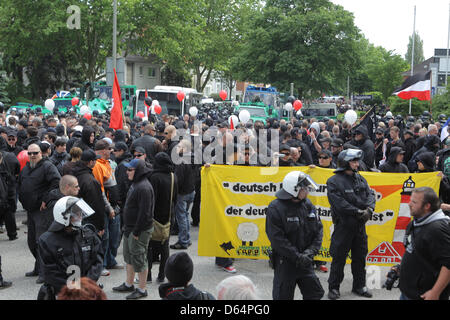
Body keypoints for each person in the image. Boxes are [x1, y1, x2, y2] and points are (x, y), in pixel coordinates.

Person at [265, 171, 325, 300]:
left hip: (305, 260)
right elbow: (277, 239)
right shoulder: (275, 208)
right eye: (304, 188)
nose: (307, 191)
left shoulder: (308, 205)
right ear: (294, 189)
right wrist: (297, 257)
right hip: (286, 262)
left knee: (315, 293)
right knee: (283, 296)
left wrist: (310, 252)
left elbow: (318, 231)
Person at [326, 149, 376, 300]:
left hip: (360, 226)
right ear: (345, 163)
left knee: (360, 257)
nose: (357, 164)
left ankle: (359, 286)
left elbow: (370, 194)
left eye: (357, 161)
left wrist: (370, 209)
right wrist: (358, 212)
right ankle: (334, 288)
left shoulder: (360, 178)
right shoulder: (333, 181)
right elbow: (339, 204)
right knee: (339, 258)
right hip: (344, 226)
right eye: (353, 161)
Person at [38, 196, 104, 299]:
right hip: (63, 292)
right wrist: (72, 289)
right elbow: (50, 271)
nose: (80, 217)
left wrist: (86, 284)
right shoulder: (47, 241)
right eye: (76, 214)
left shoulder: (88, 235)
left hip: (86, 291)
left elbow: (97, 260)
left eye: (80, 213)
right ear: (64, 217)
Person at [112, 159, 154, 299]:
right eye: (127, 169)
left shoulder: (144, 187)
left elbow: (145, 213)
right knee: (129, 257)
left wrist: (136, 231)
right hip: (130, 229)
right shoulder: (136, 184)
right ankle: (129, 284)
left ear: (138, 171)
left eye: (130, 170)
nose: (127, 172)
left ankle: (142, 289)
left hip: (138, 231)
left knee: (140, 259)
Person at [398, 187, 450, 300]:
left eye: (414, 202)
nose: (409, 204)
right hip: (408, 292)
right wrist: (399, 268)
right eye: (410, 200)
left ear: (427, 206)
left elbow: (448, 264)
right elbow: (416, 251)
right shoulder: (417, 222)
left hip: (424, 295)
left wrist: (435, 292)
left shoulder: (437, 229)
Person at [18, 143, 61, 280]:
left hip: (42, 210)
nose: (32, 156)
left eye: (35, 153)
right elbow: (20, 184)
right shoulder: (26, 168)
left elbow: (56, 182)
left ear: (41, 153)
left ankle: (45, 272)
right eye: (30, 153)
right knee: (32, 242)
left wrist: (46, 200)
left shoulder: (48, 166)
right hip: (30, 210)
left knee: (41, 241)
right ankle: (38, 267)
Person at [148, 152, 178, 283]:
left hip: (153, 217)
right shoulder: (173, 176)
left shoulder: (153, 177)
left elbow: (150, 198)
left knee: (149, 248)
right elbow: (175, 198)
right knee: (165, 247)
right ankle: (162, 275)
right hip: (167, 217)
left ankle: (147, 275)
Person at [71, 149, 105, 235]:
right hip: (90, 221)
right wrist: (100, 226)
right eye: (95, 160)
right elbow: (97, 204)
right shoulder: (90, 181)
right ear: (90, 162)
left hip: (76, 217)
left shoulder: (73, 173)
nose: (96, 162)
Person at [170, 140, 196, 250]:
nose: (177, 148)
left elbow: (178, 180)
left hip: (182, 193)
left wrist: (174, 191)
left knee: (182, 217)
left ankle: (183, 241)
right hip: (191, 191)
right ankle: (186, 238)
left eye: (179, 146)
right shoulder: (194, 158)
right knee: (185, 215)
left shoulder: (181, 161)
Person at [0, 151, 17, 241]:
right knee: (9, 214)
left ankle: (12, 233)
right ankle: (12, 234)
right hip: (6, 194)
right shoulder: (9, 157)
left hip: (5, 194)